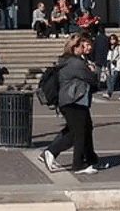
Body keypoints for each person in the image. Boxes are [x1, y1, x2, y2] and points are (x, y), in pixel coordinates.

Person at [41, 33, 102, 175]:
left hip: (75, 100)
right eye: (81, 46)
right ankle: (53, 153)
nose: (84, 48)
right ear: (74, 47)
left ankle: (87, 160)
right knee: (78, 132)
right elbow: (92, 79)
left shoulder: (72, 61)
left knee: (80, 130)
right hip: (73, 100)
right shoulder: (75, 63)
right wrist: (93, 73)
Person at [103, 34, 120, 100]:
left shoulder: (119, 47)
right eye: (111, 39)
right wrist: (107, 67)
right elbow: (108, 58)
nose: (112, 41)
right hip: (111, 66)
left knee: (113, 79)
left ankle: (109, 93)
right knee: (119, 81)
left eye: (113, 39)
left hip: (118, 66)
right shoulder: (109, 48)